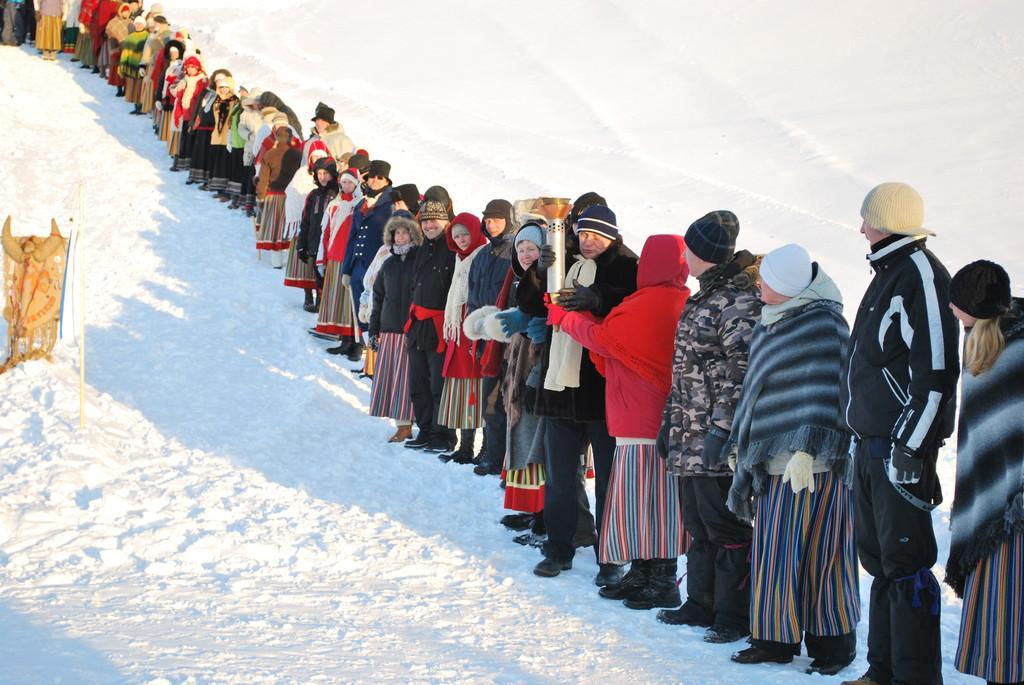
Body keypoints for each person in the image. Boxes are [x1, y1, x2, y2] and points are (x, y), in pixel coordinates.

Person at [838, 182, 959, 685]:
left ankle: (914, 677)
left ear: (885, 220)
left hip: (899, 448)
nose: (861, 227)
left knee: (907, 564)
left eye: (866, 218)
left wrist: (911, 447)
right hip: (870, 445)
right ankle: (882, 670)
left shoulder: (921, 277)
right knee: (881, 562)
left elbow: (935, 374)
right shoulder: (888, 272)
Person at [725, 244, 859, 675]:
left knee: (826, 555)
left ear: (785, 286)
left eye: (766, 280)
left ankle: (833, 647)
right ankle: (773, 640)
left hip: (816, 464)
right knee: (774, 553)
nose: (759, 285)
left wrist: (811, 448)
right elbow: (756, 391)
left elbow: (835, 390)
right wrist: (742, 445)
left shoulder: (825, 324)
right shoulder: (770, 323)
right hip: (772, 462)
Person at [548, 233, 691, 610]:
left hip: (641, 419)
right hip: (653, 418)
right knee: (647, 501)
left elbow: (604, 340)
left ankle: (661, 578)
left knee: (650, 502)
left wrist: (567, 319)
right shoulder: (678, 301)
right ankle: (645, 570)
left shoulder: (648, 304)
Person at [656, 210, 762, 644]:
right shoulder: (704, 295)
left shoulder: (736, 300)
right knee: (698, 524)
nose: (684, 254)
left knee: (726, 529)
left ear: (705, 255)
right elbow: (684, 369)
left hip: (714, 437)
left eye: (689, 248)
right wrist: (669, 421)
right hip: (688, 432)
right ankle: (700, 603)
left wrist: (721, 431)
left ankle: (733, 615)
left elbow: (742, 374)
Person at [525, 204, 638, 582]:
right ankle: (559, 547)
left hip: (603, 391)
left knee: (608, 478)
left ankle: (610, 554)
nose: (589, 242)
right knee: (559, 475)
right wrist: (540, 272)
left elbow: (633, 306)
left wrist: (599, 299)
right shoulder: (563, 256)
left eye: (597, 235)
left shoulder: (626, 264)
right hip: (560, 387)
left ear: (612, 236)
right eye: (584, 234)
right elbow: (531, 305)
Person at [944, 261, 1023, 685]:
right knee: (997, 601)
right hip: (991, 499)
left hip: (1018, 505)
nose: (952, 309)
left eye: (958, 304)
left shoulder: (1017, 347)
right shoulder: (975, 338)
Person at [466, 198, 516, 472]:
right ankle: (493, 456)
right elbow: (472, 295)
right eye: (488, 220)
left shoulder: (515, 254)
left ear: (508, 220)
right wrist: (475, 326)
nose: (492, 224)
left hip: (510, 340)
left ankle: (511, 460)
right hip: (487, 340)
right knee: (491, 400)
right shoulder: (482, 255)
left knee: (512, 402)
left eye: (497, 219)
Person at [403, 200, 457, 452]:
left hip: (440, 327)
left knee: (438, 384)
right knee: (418, 383)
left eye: (434, 220)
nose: (429, 225)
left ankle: (442, 435)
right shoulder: (423, 248)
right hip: (418, 325)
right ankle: (425, 429)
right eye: (424, 221)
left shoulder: (452, 249)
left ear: (445, 221)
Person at [436, 213, 489, 459]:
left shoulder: (484, 255)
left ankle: (484, 448)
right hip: (459, 330)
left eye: (465, 234)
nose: (461, 240)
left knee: (477, 387)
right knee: (461, 386)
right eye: (456, 236)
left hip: (475, 329)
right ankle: (465, 445)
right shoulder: (459, 259)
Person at [368, 211, 423, 442]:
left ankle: (414, 422)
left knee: (410, 378)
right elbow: (378, 297)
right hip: (389, 329)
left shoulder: (419, 261)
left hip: (412, 329)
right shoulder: (388, 264)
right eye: (397, 232)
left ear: (413, 235)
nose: (401, 237)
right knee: (394, 379)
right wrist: (373, 329)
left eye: (405, 232)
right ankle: (402, 425)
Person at [335, 160, 393, 360]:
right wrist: (347, 269)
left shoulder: (391, 203)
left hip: (377, 266)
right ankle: (364, 347)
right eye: (372, 176)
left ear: (386, 180)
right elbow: (353, 237)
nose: (375, 180)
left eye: (380, 177)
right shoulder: (361, 202)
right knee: (360, 309)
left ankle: (373, 355)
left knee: (374, 310)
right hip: (359, 264)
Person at [312, 168, 362, 343]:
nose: (347, 185)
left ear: (356, 184)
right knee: (334, 296)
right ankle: (335, 330)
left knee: (348, 299)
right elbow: (325, 232)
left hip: (350, 259)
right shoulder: (334, 205)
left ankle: (350, 336)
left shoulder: (360, 205)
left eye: (350, 182)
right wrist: (322, 258)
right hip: (334, 258)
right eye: (344, 182)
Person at [289, 156, 338, 310]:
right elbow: (306, 221)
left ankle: (323, 305)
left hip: (329, 244)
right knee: (315, 273)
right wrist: (302, 244)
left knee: (326, 276)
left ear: (332, 174)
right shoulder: (314, 195)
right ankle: (315, 301)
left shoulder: (337, 194)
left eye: (326, 173)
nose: (322, 177)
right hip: (313, 241)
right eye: (319, 173)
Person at [255, 120, 303, 269]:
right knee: (288, 227)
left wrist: (260, 195)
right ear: (290, 138)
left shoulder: (269, 155)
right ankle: (288, 260)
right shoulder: (297, 155)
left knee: (276, 228)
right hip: (292, 197)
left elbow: (263, 178)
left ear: (276, 138)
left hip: (274, 196)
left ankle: (276, 262)